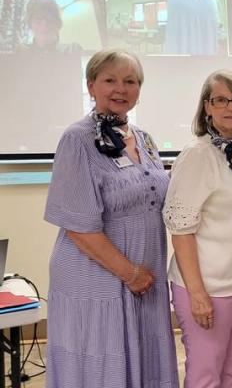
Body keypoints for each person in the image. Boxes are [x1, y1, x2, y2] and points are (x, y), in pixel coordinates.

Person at [43, 49, 178, 387]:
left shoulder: (145, 140)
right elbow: (78, 226)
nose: (121, 89)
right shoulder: (77, 139)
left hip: (146, 278)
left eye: (130, 81)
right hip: (98, 280)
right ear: (91, 85)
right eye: (110, 80)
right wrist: (130, 274)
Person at [163, 70, 232, 387]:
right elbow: (181, 230)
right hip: (207, 286)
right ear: (206, 107)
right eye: (220, 100)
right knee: (206, 374)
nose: (230, 107)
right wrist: (197, 294)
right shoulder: (197, 155)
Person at [18, 0, 82, 53]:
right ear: (30, 24)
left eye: (50, 19)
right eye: (38, 19)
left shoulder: (72, 49)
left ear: (58, 24)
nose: (44, 24)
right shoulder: (21, 52)